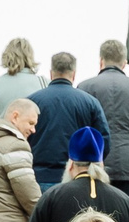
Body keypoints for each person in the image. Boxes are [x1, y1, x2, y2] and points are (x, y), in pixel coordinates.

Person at [81, 41, 129, 203]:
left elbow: (80, 129)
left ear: (101, 61)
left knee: (95, 216)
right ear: (124, 63)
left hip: (94, 166)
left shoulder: (84, 87)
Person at [29, 52, 110, 187]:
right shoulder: (90, 103)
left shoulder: (32, 102)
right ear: (74, 74)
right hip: (76, 178)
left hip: (37, 177)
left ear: (51, 73)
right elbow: (103, 140)